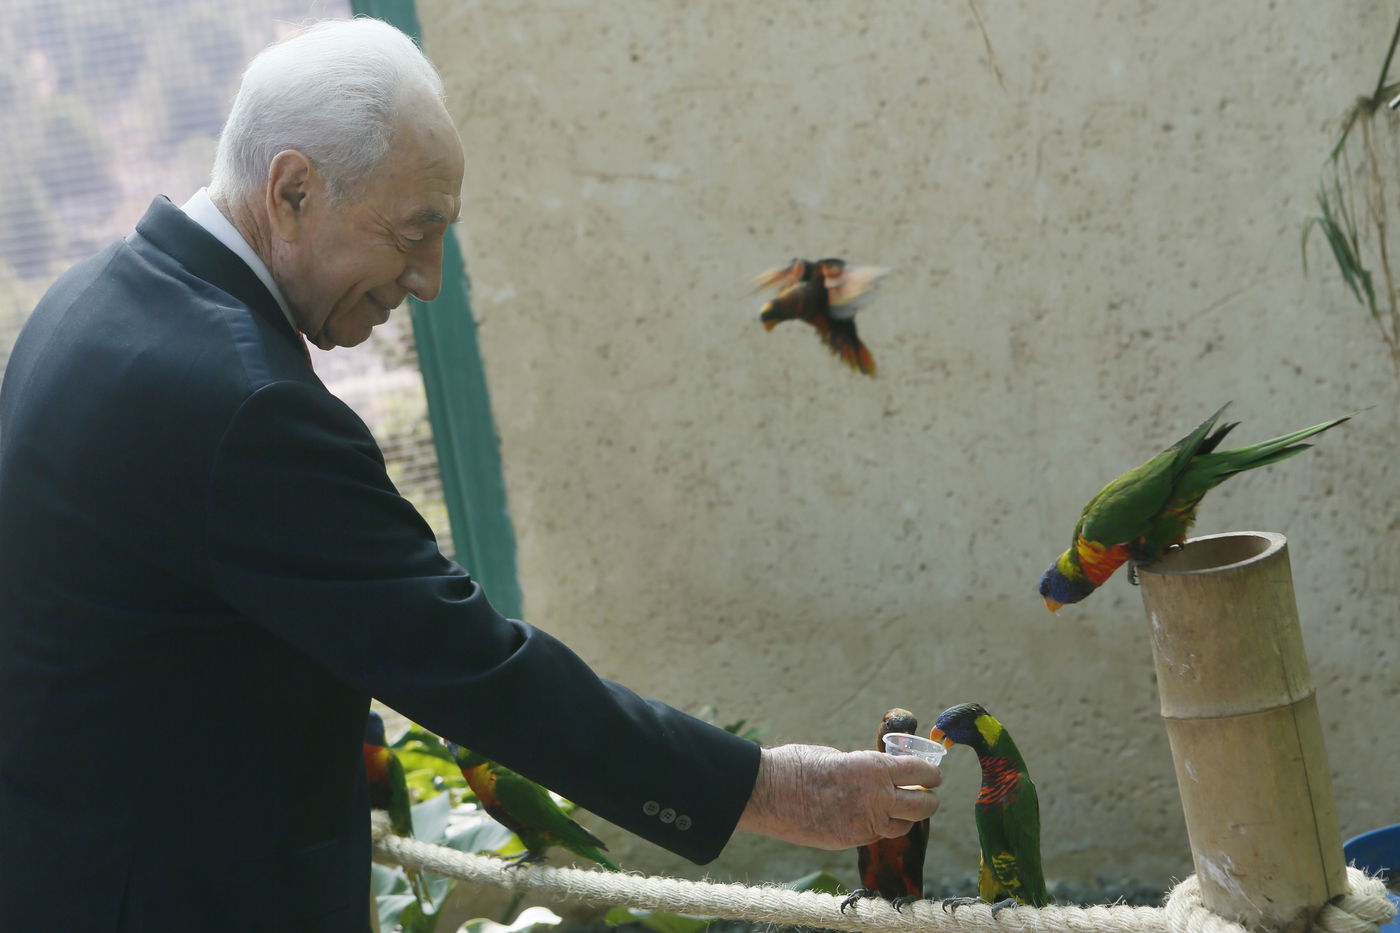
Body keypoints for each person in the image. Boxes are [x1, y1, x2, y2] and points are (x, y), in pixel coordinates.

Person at [0, 18, 941, 932]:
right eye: (414, 231)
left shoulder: (85, 301)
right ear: (292, 190)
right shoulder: (245, 406)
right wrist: (775, 788)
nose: (429, 280)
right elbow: (469, 662)